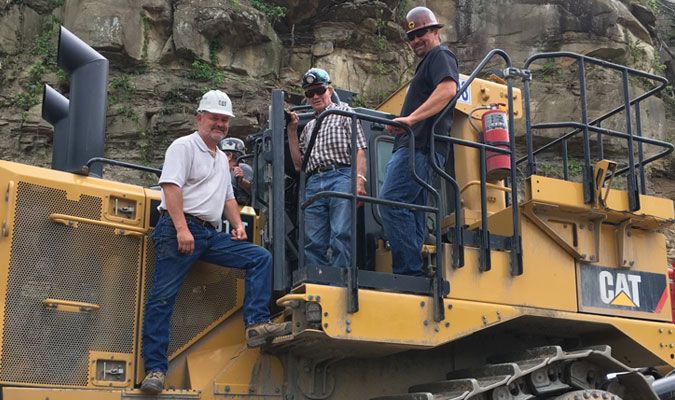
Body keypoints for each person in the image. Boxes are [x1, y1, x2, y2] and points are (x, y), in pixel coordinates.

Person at [141, 90, 288, 394]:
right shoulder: (183, 147)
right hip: (179, 229)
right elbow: (170, 187)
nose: (219, 124)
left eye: (224, 120)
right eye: (214, 118)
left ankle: (256, 324)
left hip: (210, 234)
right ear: (200, 118)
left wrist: (237, 226)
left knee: (259, 257)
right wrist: (182, 229)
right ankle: (155, 369)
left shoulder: (222, 158)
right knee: (161, 298)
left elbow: (228, 197)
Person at [379, 7, 459, 276]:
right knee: (410, 210)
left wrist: (411, 120)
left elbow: (448, 89)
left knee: (391, 203)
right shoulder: (425, 64)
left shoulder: (441, 54)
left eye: (420, 33)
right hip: (414, 145)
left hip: (421, 148)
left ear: (435, 31)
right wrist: (401, 125)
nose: (415, 41)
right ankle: (413, 269)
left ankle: (408, 271)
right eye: (411, 37)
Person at [286, 68, 367, 269]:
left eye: (319, 90)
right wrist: (292, 130)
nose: (315, 96)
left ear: (329, 90)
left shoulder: (345, 112)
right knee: (312, 240)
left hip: (340, 175)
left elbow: (360, 150)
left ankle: (341, 283)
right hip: (313, 181)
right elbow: (298, 164)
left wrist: (359, 181)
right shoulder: (309, 127)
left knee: (340, 233)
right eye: (309, 93)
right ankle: (319, 281)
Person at [219, 137, 253, 206]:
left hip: (242, 212)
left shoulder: (243, 168)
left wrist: (241, 181)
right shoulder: (220, 171)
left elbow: (255, 191)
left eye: (220, 154)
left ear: (229, 155)